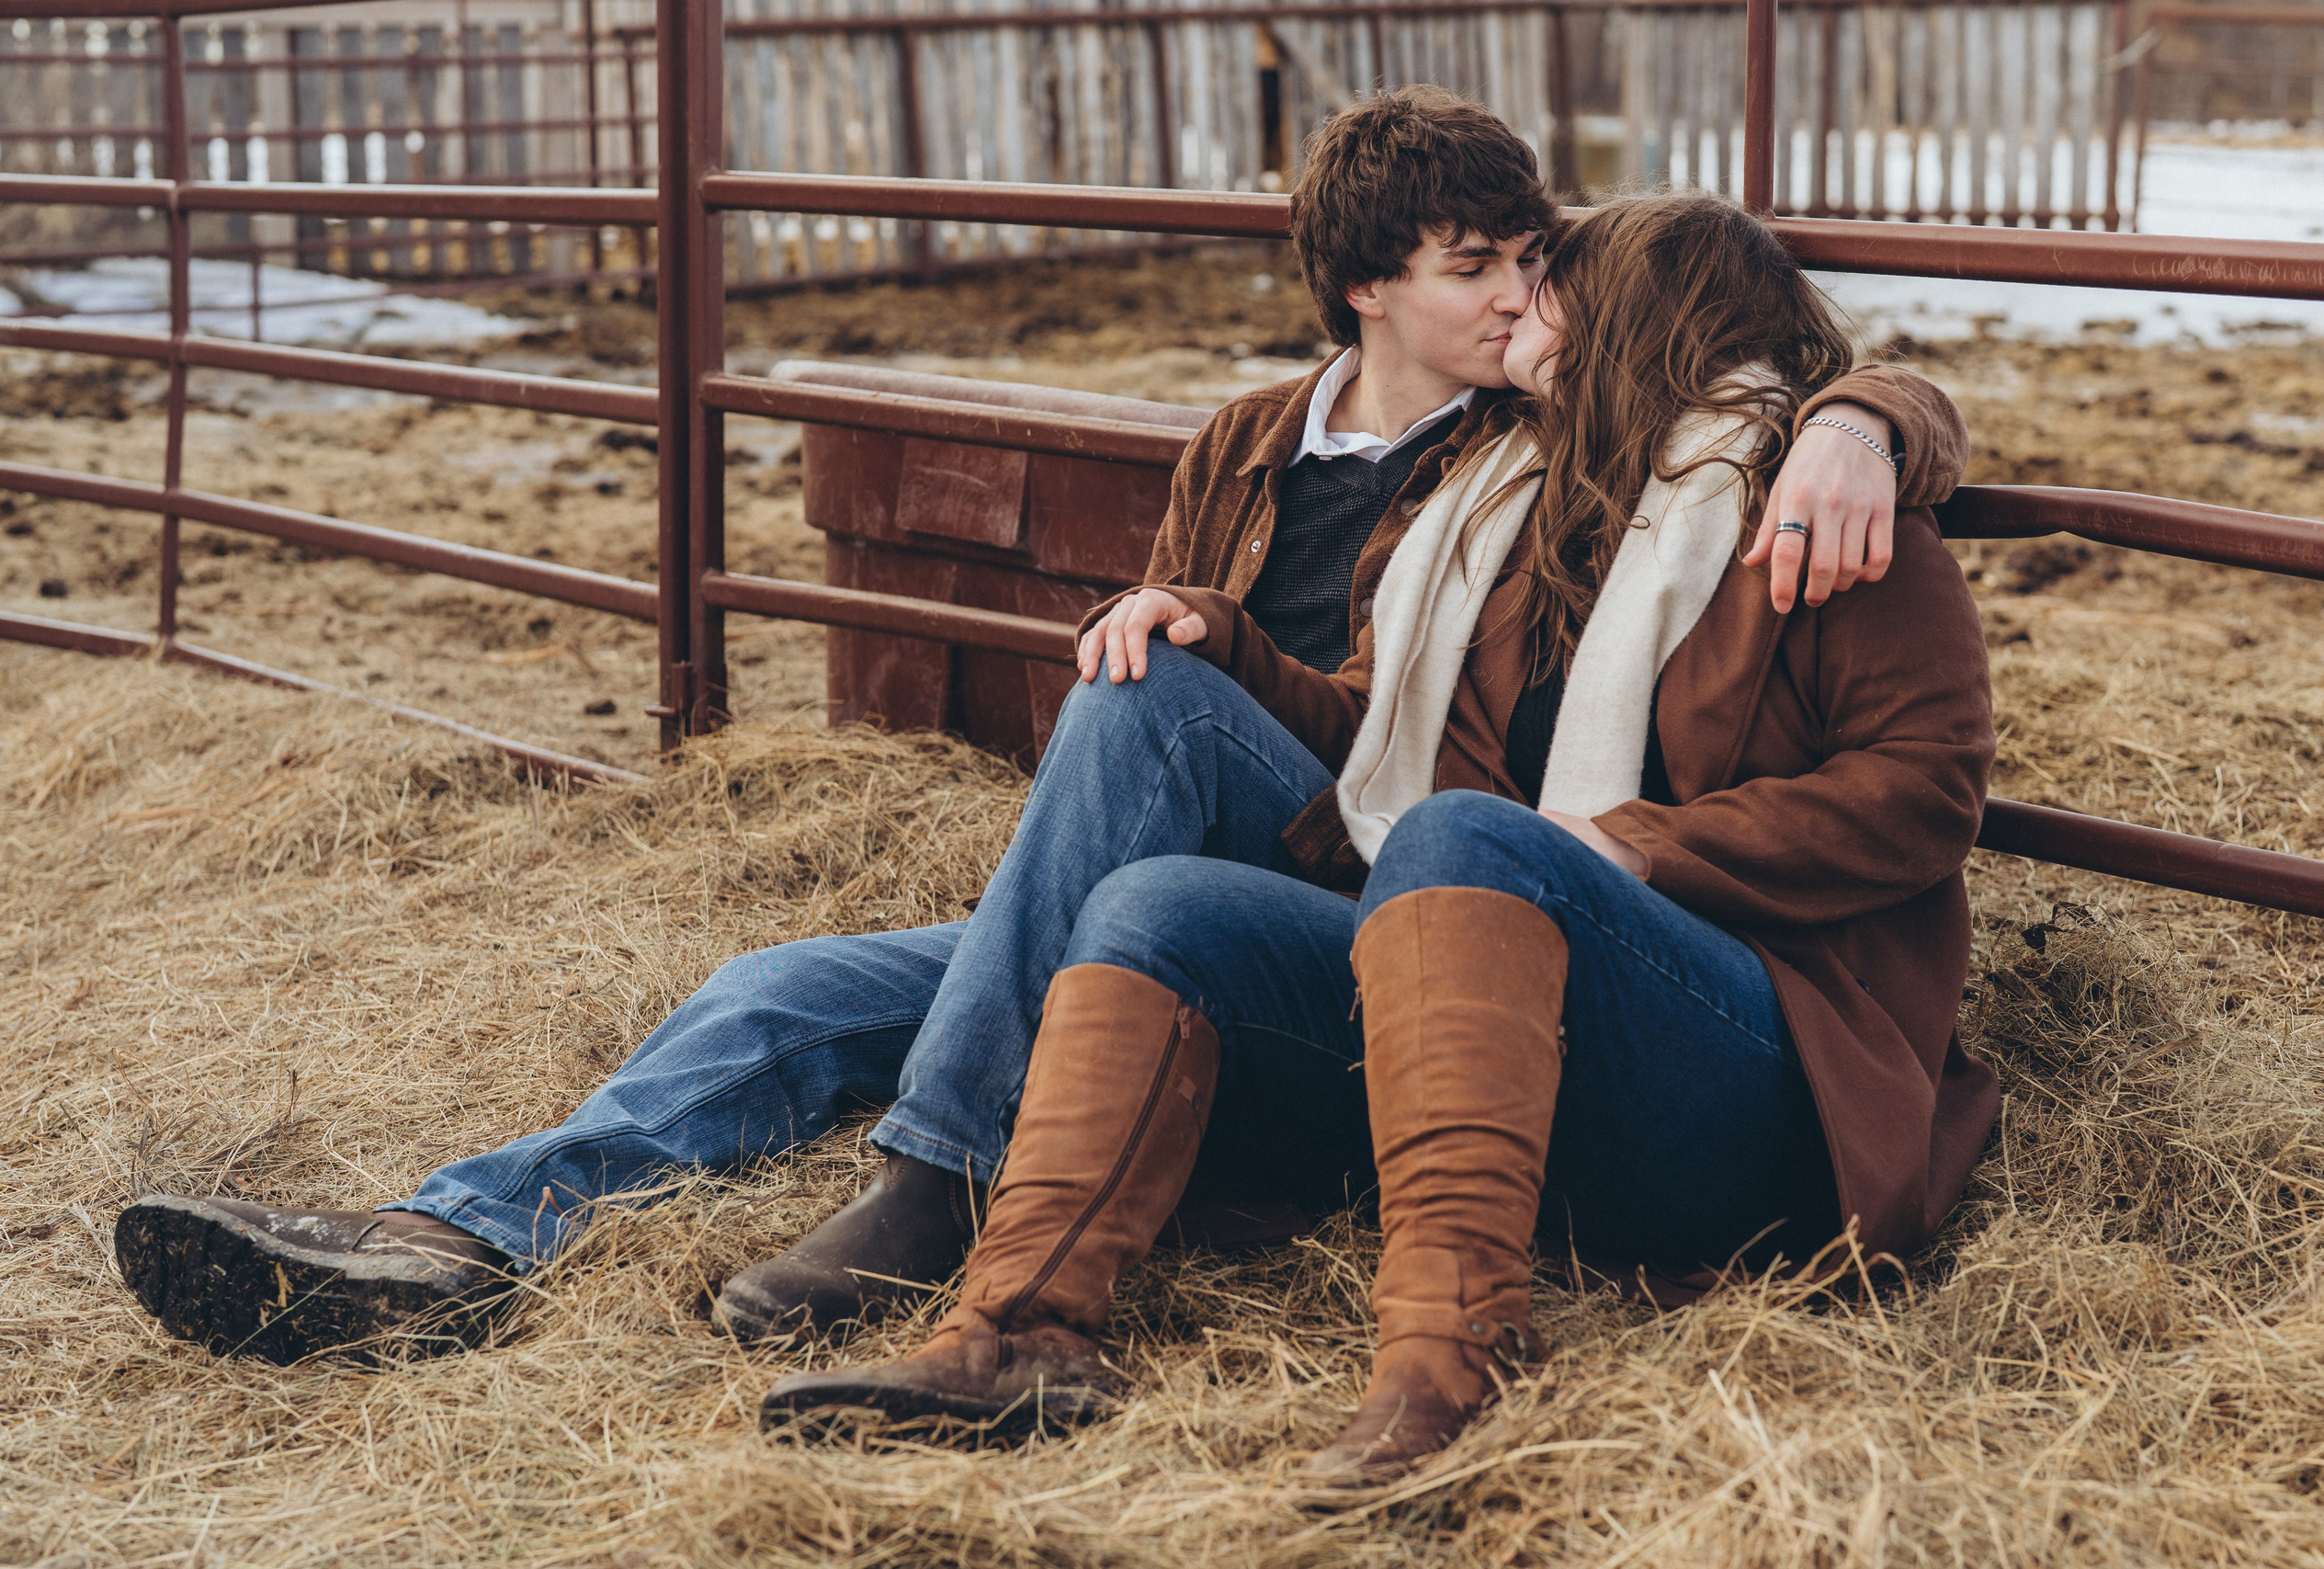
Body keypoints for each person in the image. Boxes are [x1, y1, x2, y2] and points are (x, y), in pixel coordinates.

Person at [111, 93, 1950, 1367]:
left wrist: (1865, 415)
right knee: (790, 974)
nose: (1511, 297)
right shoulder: (1243, 438)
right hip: (1183, 862)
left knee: (1137, 717)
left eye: (1529, 265)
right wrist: (1201, 619)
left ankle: (943, 1179)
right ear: (1364, 285)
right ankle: (458, 1235)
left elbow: (1807, 375)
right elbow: (1250, 694)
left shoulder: (1536, 456)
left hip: (1332, 881)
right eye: (1475, 265)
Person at [760, 191, 2000, 1487]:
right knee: (1156, 906)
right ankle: (1019, 1331)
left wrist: (1636, 848)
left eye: (1553, 283)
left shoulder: (1820, 515)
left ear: (1634, 319)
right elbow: (1377, 740)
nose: (1523, 301)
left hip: (1752, 1062)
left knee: (1473, 838)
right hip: (1504, 1017)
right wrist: (1224, 644)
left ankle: (1449, 1367)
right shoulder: (1520, 504)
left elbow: (1927, 791)